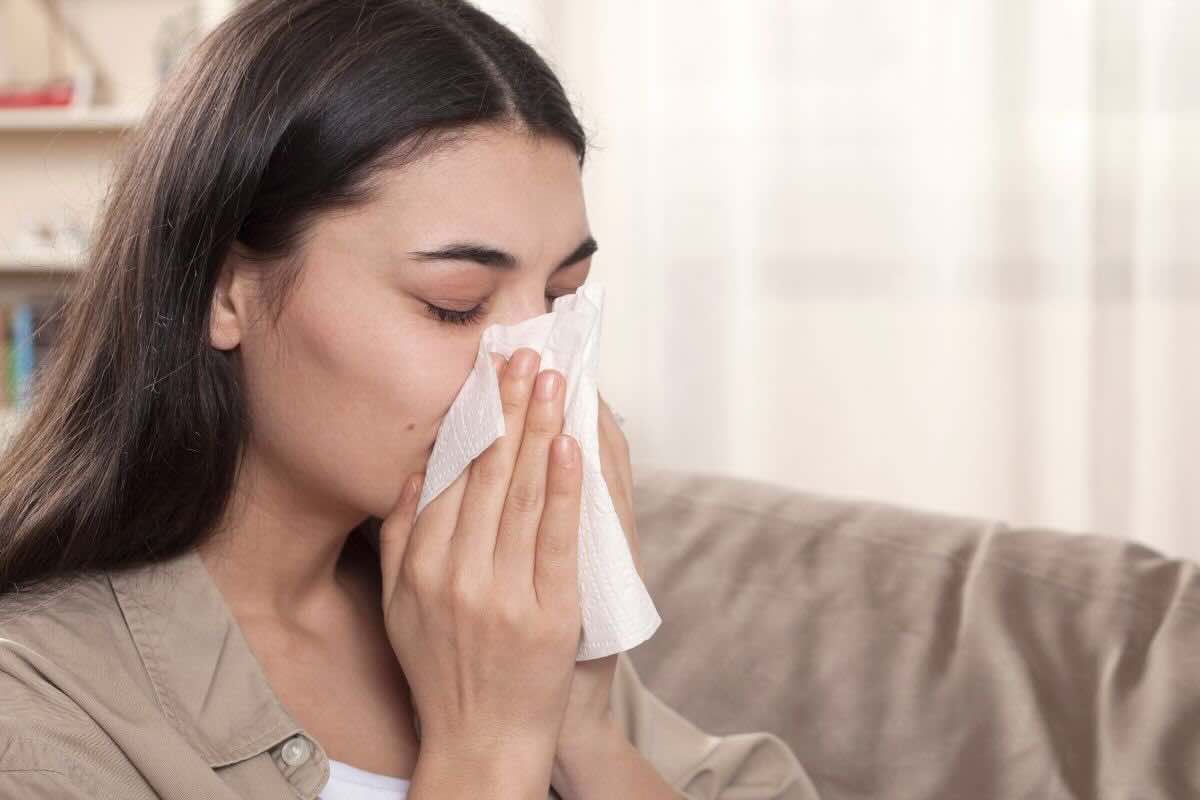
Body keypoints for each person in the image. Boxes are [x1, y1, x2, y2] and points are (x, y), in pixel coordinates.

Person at [0, 1, 818, 797]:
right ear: (222, 290)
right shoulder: (39, 720)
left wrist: (580, 730)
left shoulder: (487, 602)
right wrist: (486, 748)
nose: (537, 374)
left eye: (564, 299)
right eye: (454, 304)